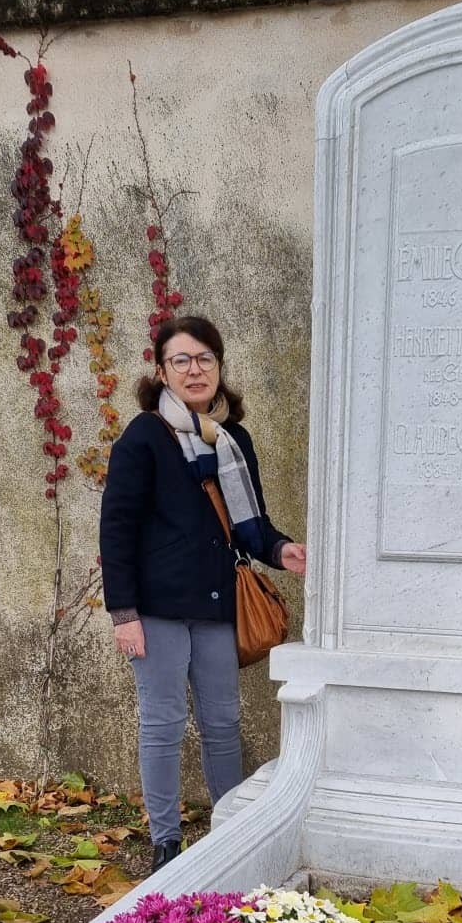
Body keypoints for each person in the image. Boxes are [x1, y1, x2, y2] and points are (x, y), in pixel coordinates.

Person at [99, 316, 306, 872]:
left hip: (217, 606)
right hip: (157, 610)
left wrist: (283, 550)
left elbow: (250, 524)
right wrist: (123, 613)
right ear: (162, 371)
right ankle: (166, 841)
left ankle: (229, 828)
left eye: (205, 359)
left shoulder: (234, 441)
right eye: (182, 360)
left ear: (219, 367)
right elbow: (116, 527)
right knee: (162, 722)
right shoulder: (144, 435)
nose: (195, 370)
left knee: (223, 721)